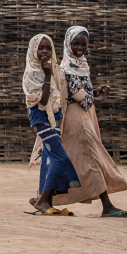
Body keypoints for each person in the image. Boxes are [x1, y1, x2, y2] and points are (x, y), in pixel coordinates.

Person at [54, 26, 127, 217]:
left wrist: (95, 92)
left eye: (83, 44)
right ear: (68, 44)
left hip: (84, 115)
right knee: (91, 157)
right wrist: (96, 100)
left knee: (75, 159)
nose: (80, 47)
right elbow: (77, 94)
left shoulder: (80, 64)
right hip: (77, 117)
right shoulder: (68, 67)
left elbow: (83, 91)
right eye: (76, 44)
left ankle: (44, 199)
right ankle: (107, 206)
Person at [22, 34, 80, 216]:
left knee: (49, 159)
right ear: (33, 50)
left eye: (48, 48)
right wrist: (47, 76)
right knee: (59, 158)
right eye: (41, 48)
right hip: (41, 118)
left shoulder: (52, 70)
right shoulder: (32, 72)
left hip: (53, 117)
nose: (45, 52)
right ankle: (42, 201)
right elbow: (43, 99)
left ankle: (45, 200)